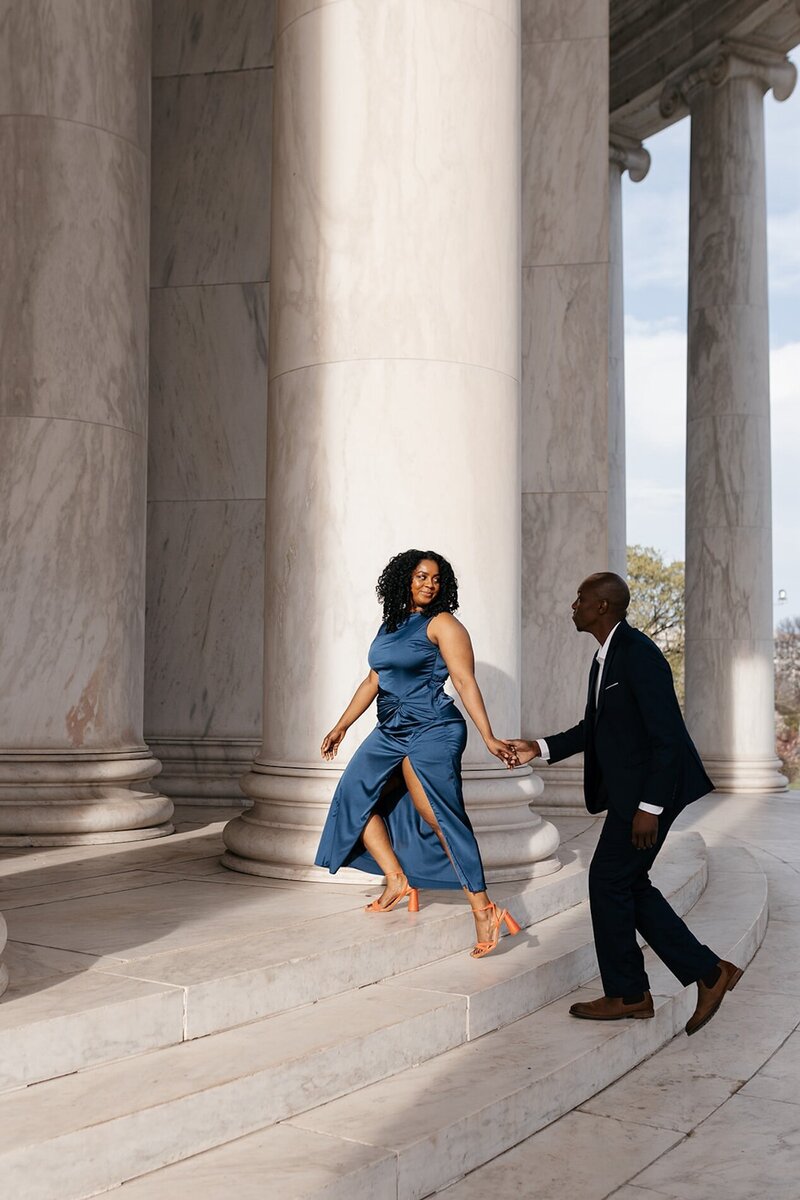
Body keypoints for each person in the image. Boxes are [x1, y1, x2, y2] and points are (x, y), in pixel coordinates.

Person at [511, 572, 743, 1035]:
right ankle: (706, 972)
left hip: (650, 793)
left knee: (608, 880)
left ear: (602, 606)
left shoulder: (639, 655)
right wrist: (538, 747)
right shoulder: (605, 659)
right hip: (632, 792)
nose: (572, 607)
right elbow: (595, 728)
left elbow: (668, 738)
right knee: (627, 884)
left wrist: (650, 808)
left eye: (580, 600)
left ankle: (631, 993)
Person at [315, 549, 521, 958]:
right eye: (422, 576)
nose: (430, 584)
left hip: (433, 729)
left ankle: (484, 910)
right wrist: (341, 725)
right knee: (353, 795)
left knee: (439, 816)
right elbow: (374, 679)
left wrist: (489, 736)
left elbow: (464, 681)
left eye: (437, 579)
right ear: (404, 580)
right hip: (391, 730)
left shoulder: (443, 624)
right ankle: (397, 879)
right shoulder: (390, 625)